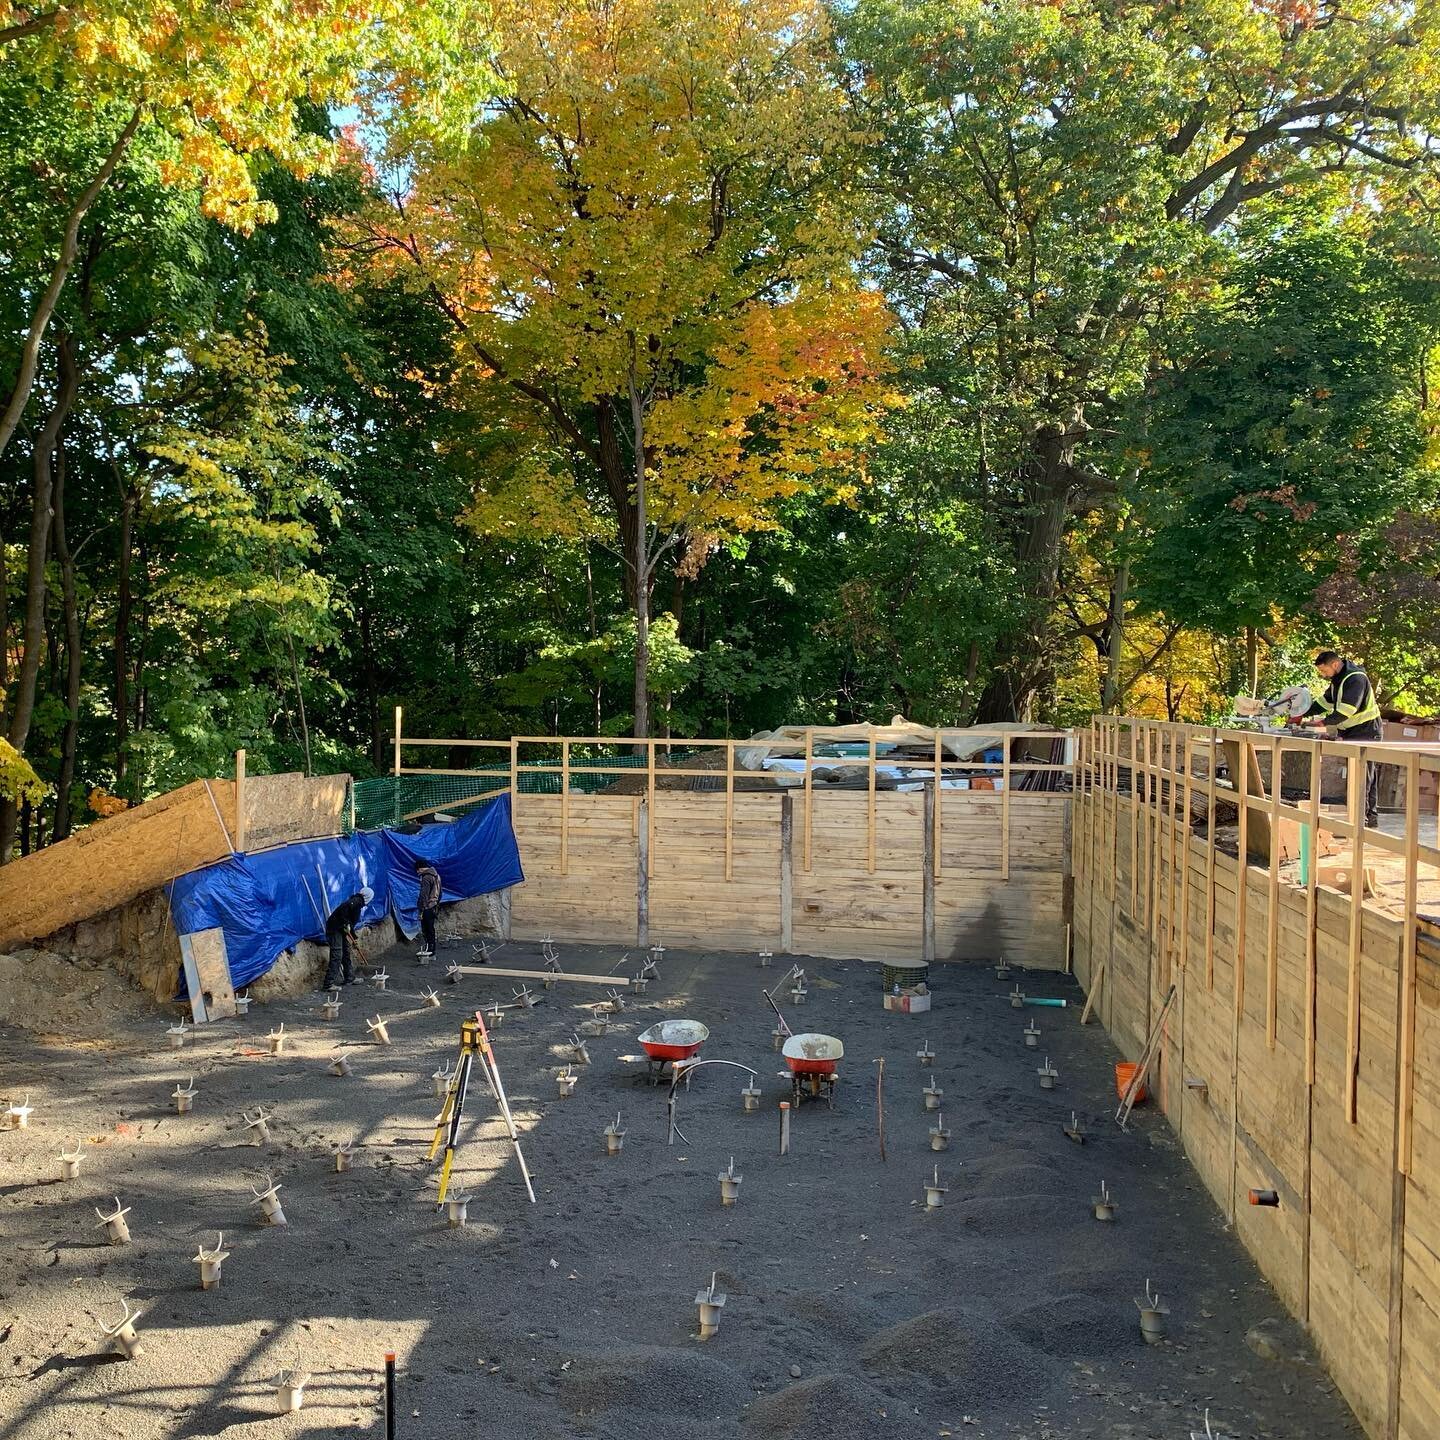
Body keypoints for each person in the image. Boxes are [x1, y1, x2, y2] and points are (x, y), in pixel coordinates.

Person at [1297, 650, 1383, 827]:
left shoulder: (1356, 679)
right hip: (1352, 731)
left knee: (1363, 776)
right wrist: (1302, 712)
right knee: (1363, 775)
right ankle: (1368, 816)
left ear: (1335, 665)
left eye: (1324, 671)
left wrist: (1321, 723)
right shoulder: (1338, 679)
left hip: (1366, 731)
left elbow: (1345, 711)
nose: (1323, 675)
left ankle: (1363, 819)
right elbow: (1325, 702)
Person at [322, 886, 373, 989]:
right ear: (368, 897)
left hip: (341, 929)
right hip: (335, 929)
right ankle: (328, 984)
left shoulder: (357, 902)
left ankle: (349, 977)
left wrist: (354, 938)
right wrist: (345, 923)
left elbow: (350, 923)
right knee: (337, 955)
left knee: (346, 952)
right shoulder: (356, 901)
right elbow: (343, 911)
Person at [415, 858, 442, 960]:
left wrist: (421, 909)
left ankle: (429, 953)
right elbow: (440, 893)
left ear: (420, 868)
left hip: (427, 907)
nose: (417, 872)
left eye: (417, 870)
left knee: (427, 930)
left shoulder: (426, 878)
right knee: (431, 929)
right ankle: (432, 951)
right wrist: (436, 903)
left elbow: (423, 895)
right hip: (434, 905)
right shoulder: (437, 876)